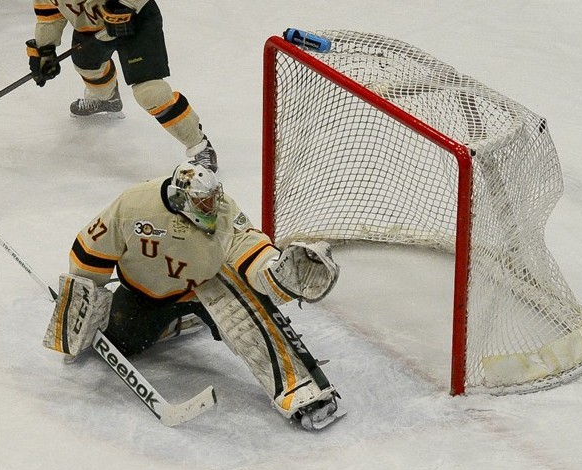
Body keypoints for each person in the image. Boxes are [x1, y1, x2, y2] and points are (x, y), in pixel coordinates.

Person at [46, 162, 346, 430]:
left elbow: (248, 245)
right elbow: (90, 254)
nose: (213, 207)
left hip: (208, 286)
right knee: (120, 341)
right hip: (146, 294)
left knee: (246, 316)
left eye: (214, 199)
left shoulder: (224, 209)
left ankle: (302, 388)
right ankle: (182, 322)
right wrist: (79, 312)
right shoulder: (135, 205)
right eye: (204, 202)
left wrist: (275, 271)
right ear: (180, 199)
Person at [27, 0, 218, 171]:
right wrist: (45, 49)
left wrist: (127, 4)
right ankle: (107, 99)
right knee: (87, 67)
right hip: (91, 29)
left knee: (150, 92)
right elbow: (49, 12)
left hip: (136, 21)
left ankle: (200, 145)